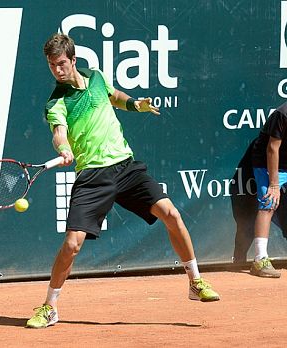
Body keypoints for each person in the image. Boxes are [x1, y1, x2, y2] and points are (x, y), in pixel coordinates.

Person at [26, 33, 220, 329]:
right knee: (72, 245)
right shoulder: (57, 101)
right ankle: (50, 306)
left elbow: (115, 96)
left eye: (61, 63)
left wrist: (136, 105)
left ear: (73, 60)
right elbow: (59, 132)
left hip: (125, 167)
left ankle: (195, 281)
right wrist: (63, 148)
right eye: (52, 65)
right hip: (92, 176)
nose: (57, 70)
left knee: (172, 213)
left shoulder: (96, 77)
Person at [249, 101, 287, 278]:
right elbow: (272, 149)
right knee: (269, 201)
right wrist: (274, 184)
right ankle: (260, 260)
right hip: (267, 163)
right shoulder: (283, 114)